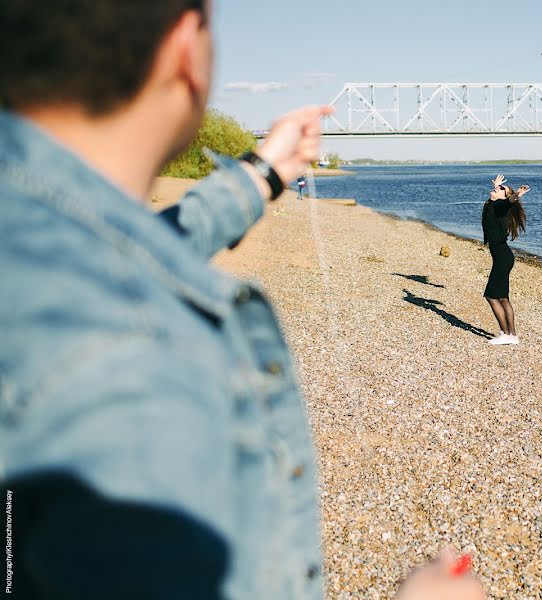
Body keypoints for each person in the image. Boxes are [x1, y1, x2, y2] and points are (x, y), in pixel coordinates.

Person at [0, 2, 483, 598]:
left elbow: (122, 251)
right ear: (186, 44)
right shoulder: (128, 358)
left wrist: (262, 173)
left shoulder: (30, 226)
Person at [481, 174, 529, 345]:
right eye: (499, 187)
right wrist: (498, 188)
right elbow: (496, 200)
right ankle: (512, 335)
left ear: (505, 197)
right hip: (503, 256)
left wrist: (516, 196)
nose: (498, 188)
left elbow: (509, 201)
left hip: (502, 256)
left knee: (491, 296)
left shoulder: (501, 206)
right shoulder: (492, 205)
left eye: (502, 189)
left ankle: (505, 334)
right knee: (502, 297)